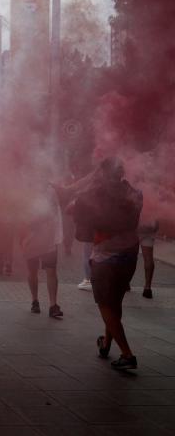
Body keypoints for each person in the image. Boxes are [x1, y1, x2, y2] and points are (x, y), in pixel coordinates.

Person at [75, 157, 142, 370]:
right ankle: (106, 344)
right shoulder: (135, 193)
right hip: (130, 253)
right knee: (115, 303)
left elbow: (82, 226)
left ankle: (127, 353)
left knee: (105, 304)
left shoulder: (96, 195)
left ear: (104, 172)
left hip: (106, 257)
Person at [20, 184, 63, 318]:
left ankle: (53, 305)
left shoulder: (51, 191)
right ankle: (35, 300)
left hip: (48, 238)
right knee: (33, 271)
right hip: (31, 238)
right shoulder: (26, 191)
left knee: (51, 270)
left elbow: (55, 213)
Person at [137, 220, 158, 299]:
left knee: (130, 256)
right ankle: (147, 288)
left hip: (135, 226)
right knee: (148, 257)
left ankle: (126, 283)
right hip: (150, 225)